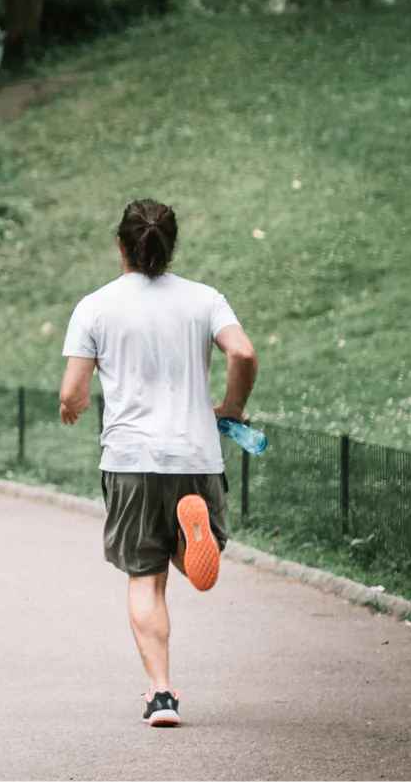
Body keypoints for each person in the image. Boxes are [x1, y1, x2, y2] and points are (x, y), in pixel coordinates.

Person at [58, 199, 258, 728]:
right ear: (171, 246)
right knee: (183, 558)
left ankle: (161, 694)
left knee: (143, 576)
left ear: (120, 245)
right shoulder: (205, 299)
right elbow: (242, 353)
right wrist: (232, 406)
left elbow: (73, 390)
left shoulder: (95, 306)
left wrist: (70, 406)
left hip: (131, 460)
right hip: (195, 455)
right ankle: (192, 536)